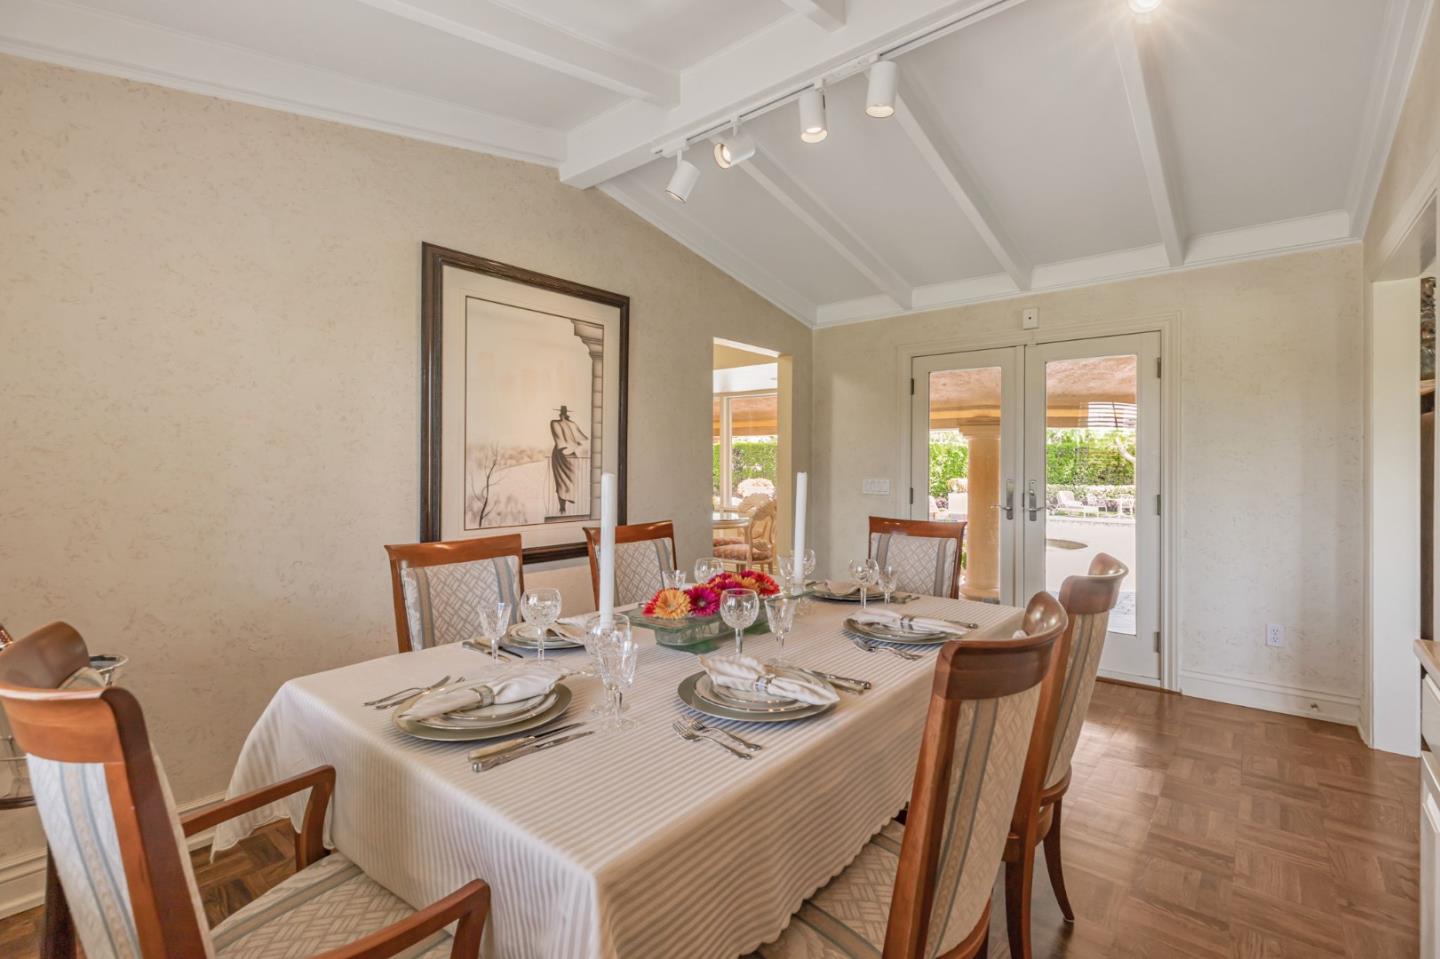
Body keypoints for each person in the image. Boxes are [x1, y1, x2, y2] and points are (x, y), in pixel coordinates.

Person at [549, 405, 588, 515]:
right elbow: (560, 441)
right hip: (560, 455)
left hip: (569, 455)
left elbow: (582, 438)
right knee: (561, 482)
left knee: (570, 480)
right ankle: (562, 507)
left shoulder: (570, 424)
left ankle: (565, 505)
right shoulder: (556, 423)